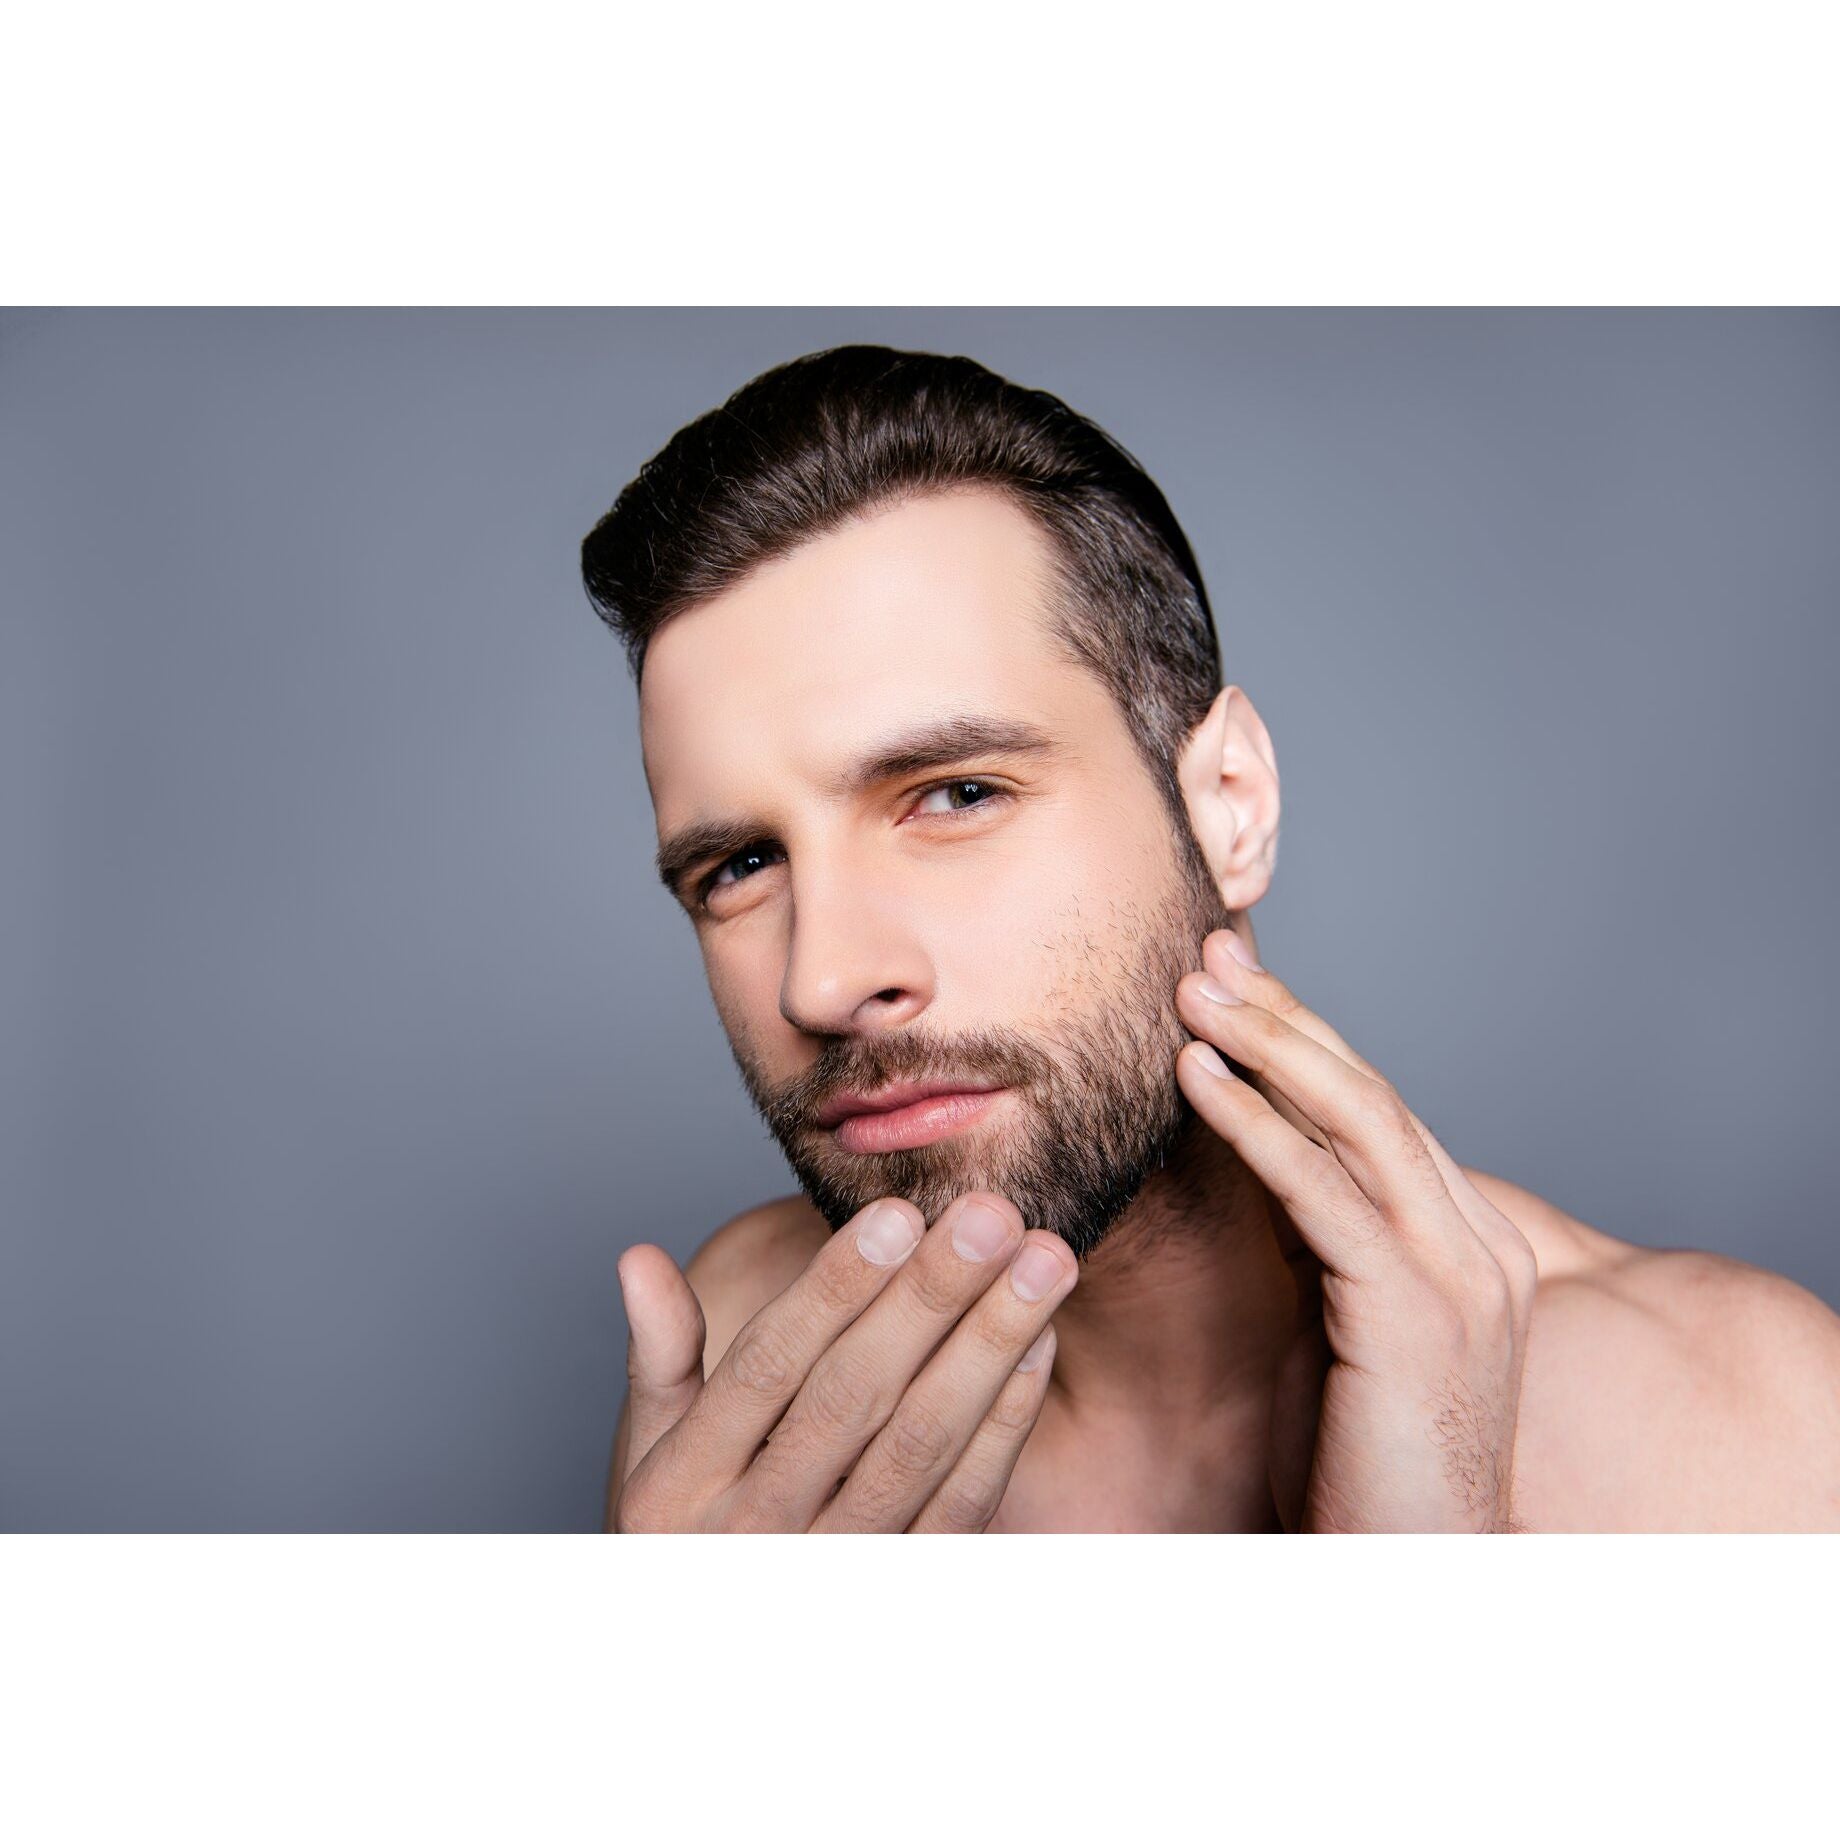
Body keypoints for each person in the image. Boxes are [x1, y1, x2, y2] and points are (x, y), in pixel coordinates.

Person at [580, 344, 1840, 1532]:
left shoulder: (1729, 1427)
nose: (826, 978)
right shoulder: (756, 1362)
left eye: (957, 794)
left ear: (1227, 804)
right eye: (739, 866)